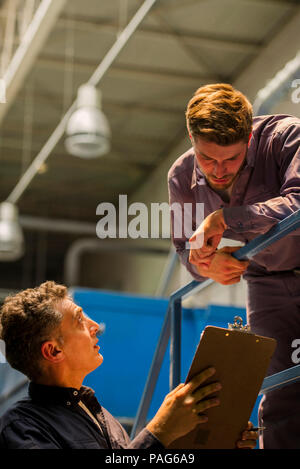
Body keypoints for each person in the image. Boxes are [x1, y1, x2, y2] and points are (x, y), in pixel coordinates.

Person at [168, 83, 300, 449]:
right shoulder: (181, 177)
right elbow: (184, 249)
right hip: (266, 281)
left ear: (250, 136)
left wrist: (227, 218)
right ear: (192, 139)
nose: (219, 170)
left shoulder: (286, 137)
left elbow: (299, 202)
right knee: (279, 393)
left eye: (232, 159)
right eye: (207, 159)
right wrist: (206, 267)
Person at [0, 281, 256, 450]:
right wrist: (158, 432)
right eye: (79, 320)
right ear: (54, 350)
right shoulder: (23, 428)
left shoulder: (98, 414)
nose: (95, 326)